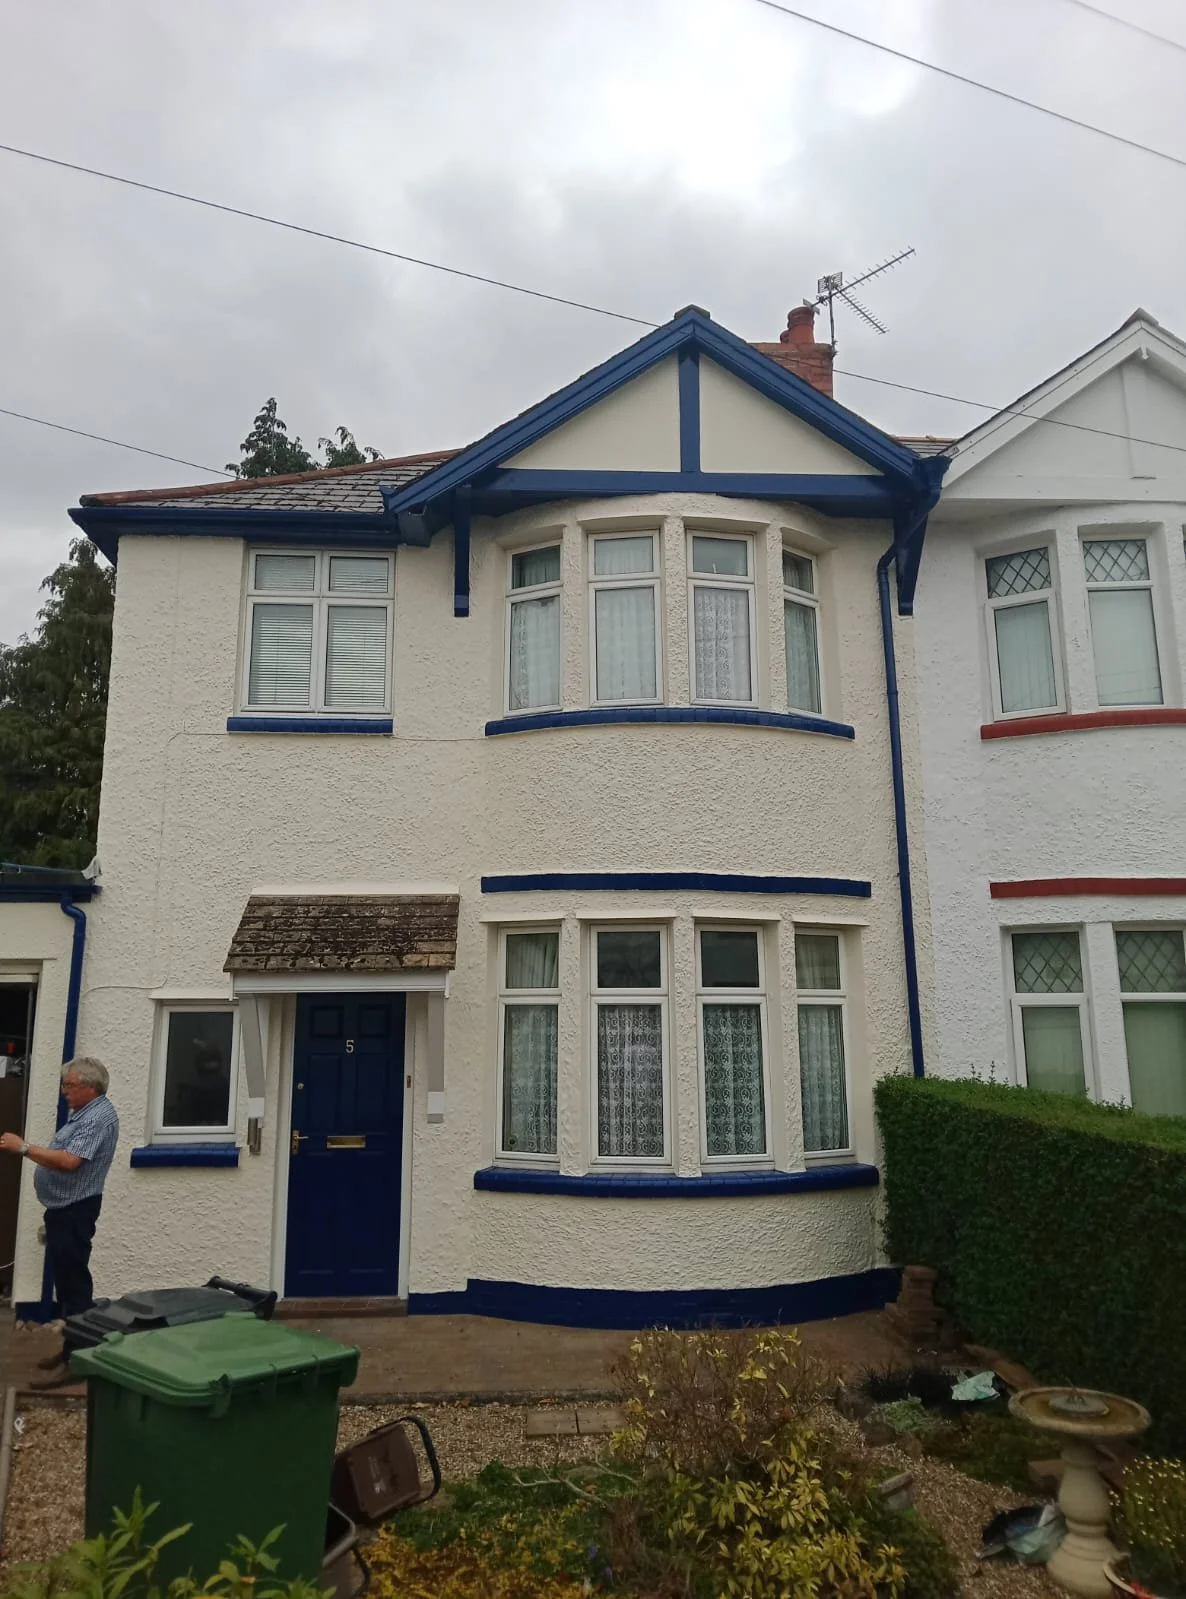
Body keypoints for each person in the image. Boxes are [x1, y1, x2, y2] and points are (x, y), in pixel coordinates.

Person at [0, 1056, 119, 1385]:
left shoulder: (97, 1118)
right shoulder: (86, 1113)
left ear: (90, 1087)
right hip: (65, 1209)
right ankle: (71, 1351)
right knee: (67, 1283)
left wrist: (24, 1148)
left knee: (74, 1286)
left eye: (70, 1085)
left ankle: (79, 1361)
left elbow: (69, 1161)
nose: (64, 1091)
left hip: (75, 1211)